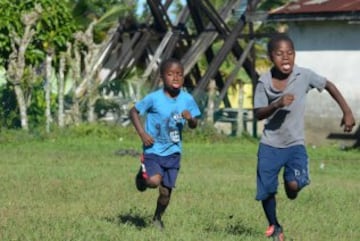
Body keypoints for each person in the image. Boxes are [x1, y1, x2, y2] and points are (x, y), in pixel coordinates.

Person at [253, 33, 355, 241]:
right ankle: (275, 226)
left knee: (292, 187)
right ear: (271, 56)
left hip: (294, 145)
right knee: (266, 191)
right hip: (270, 145)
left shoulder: (304, 75)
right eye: (280, 54)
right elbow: (257, 113)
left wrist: (347, 111)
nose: (286, 58)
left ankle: (295, 183)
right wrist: (276, 104)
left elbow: (328, 85)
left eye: (290, 53)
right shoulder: (264, 82)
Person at [129, 58, 201, 230]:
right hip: (153, 149)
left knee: (165, 193)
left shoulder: (187, 99)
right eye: (170, 74)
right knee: (154, 181)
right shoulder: (154, 98)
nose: (175, 78)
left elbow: (194, 124)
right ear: (162, 77)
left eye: (179, 75)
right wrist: (142, 133)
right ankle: (142, 176)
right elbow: (133, 111)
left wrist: (191, 119)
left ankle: (157, 218)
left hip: (173, 152)